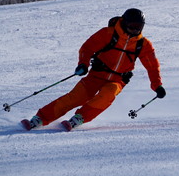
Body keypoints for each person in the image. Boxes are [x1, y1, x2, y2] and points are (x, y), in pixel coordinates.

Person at [21, 8, 165, 131]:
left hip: (117, 80)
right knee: (76, 97)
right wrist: (83, 64)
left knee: (107, 95)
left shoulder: (143, 44)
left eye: (138, 27)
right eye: (132, 25)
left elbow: (152, 67)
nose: (134, 30)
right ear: (124, 22)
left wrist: (157, 85)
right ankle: (39, 119)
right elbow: (87, 48)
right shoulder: (107, 34)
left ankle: (80, 117)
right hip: (96, 75)